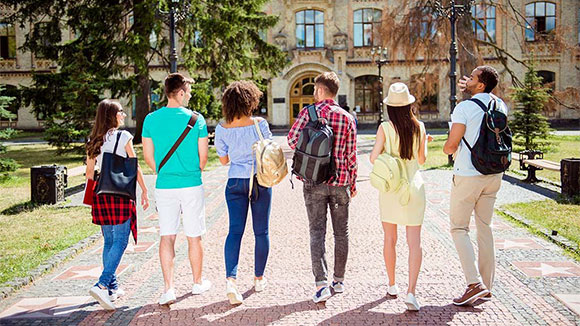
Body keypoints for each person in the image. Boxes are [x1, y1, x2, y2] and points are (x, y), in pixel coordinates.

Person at [287, 72, 358, 303]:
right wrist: (353, 183)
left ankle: (321, 284)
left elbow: (291, 140)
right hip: (340, 183)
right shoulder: (347, 118)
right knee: (342, 233)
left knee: (317, 232)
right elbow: (351, 155)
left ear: (319, 90)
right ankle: (338, 281)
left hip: (314, 181)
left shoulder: (308, 113)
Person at [142, 73, 211, 305]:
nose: (189, 96)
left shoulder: (150, 119)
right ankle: (197, 282)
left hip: (164, 185)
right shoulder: (197, 120)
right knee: (194, 235)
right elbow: (203, 159)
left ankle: (168, 288)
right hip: (191, 184)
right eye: (188, 92)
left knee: (167, 235)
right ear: (180, 93)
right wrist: (191, 169)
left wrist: (164, 172)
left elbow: (148, 157)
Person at [443, 66, 507, 305]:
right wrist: (467, 93)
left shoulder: (465, 107)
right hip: (494, 174)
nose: (467, 79)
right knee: (485, 227)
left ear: (480, 85)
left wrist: (447, 147)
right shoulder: (500, 105)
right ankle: (487, 286)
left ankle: (474, 283)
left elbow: (451, 145)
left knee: (459, 228)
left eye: (472, 77)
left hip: (469, 175)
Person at [85, 99, 149, 310]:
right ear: (112, 115)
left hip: (100, 194)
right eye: (120, 111)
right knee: (121, 241)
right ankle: (102, 283)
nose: (123, 114)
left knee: (109, 241)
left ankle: (112, 288)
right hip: (120, 195)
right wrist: (145, 190)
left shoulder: (93, 139)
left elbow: (88, 174)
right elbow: (134, 166)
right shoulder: (124, 136)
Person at [369, 83, 428, 311]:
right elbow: (422, 160)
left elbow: (374, 157)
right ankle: (411, 292)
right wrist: (422, 142)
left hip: (391, 188)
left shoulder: (385, 127)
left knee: (389, 239)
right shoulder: (420, 127)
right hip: (414, 187)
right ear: (409, 104)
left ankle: (392, 284)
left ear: (390, 107)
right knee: (415, 243)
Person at [214, 80, 274, 305]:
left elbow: (223, 160)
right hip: (259, 180)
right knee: (261, 232)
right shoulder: (260, 124)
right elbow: (268, 152)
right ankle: (259, 278)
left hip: (235, 181)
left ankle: (231, 280)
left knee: (234, 232)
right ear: (251, 100)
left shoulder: (222, 128)